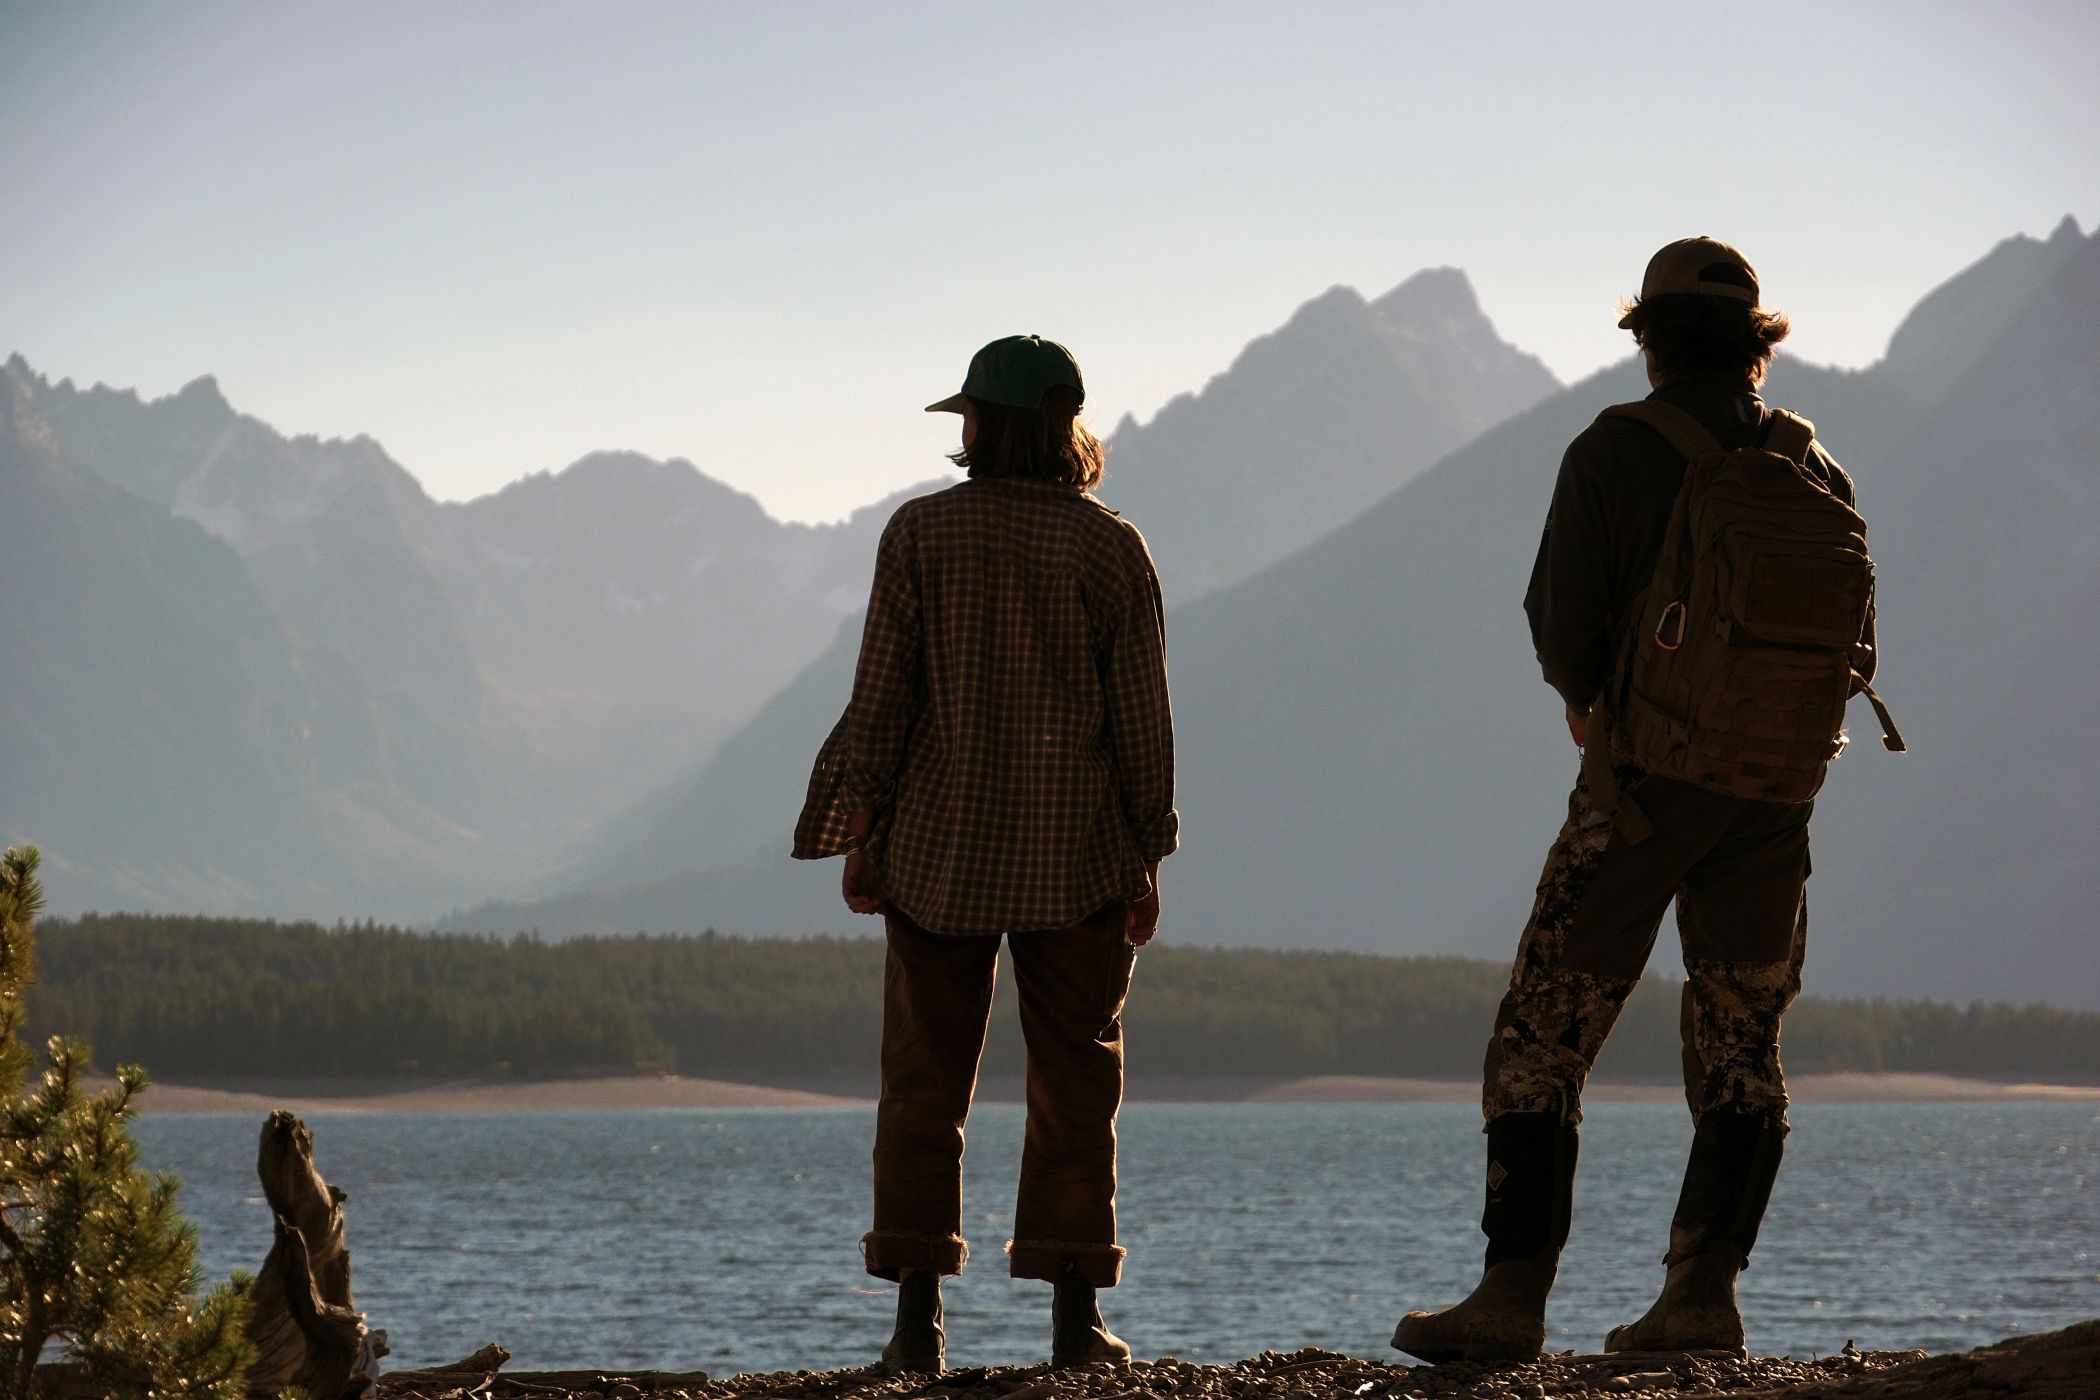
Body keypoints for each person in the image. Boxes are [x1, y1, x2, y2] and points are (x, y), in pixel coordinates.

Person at [1393, 237, 1892, 1363]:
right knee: (1741, 1043)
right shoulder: (1821, 470)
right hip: (1774, 799)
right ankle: (1701, 1298)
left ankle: (1510, 1299)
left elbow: (1560, 622)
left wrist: (1597, 704)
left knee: (1542, 1033)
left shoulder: (1616, 448)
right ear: (1759, 345)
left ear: (1649, 339)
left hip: (1642, 786)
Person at [793, 334, 1177, 1373]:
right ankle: (1074, 1327)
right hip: (1080, 856)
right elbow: (1142, 721)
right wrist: (1150, 851)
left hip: (937, 849)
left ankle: (916, 1328)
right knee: (1075, 1090)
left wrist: (860, 827)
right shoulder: (1112, 548)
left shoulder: (920, 534)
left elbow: (883, 699)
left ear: (990, 424)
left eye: (967, 413)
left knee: (922, 1089)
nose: (959, 430)